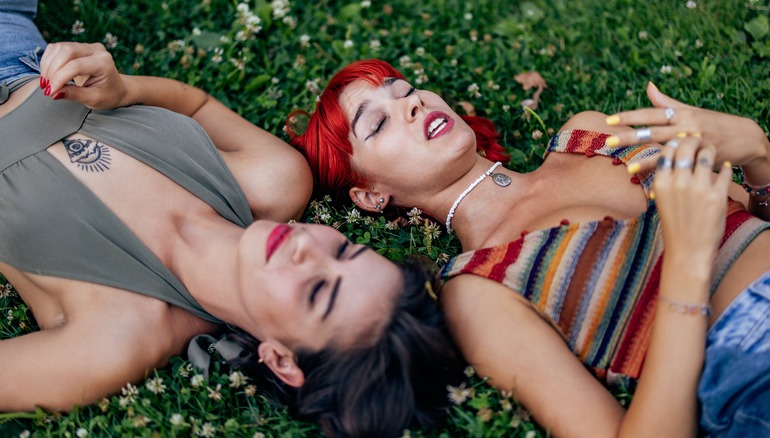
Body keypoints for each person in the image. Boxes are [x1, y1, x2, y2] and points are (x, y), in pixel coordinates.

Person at [0, 5, 462, 437]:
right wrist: (124, 90)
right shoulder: (277, 182)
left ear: (281, 360)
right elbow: (196, 105)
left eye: (319, 291)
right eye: (343, 250)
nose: (309, 249)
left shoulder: (115, 341)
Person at [289, 58, 770, 437]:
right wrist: (688, 264)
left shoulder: (590, 134)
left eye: (406, 90)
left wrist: (761, 159)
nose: (411, 104)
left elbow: (761, 218)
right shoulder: (477, 289)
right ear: (371, 196)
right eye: (377, 123)